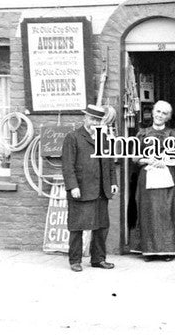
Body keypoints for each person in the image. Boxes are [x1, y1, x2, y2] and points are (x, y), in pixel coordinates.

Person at [130, 100, 175, 260]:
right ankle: (149, 250)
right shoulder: (142, 133)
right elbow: (135, 157)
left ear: (168, 117)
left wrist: (164, 161)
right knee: (148, 212)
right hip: (148, 176)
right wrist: (148, 160)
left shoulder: (174, 134)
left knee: (166, 212)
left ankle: (167, 249)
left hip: (167, 178)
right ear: (153, 112)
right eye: (158, 111)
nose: (160, 115)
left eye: (164, 113)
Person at [61, 104, 118, 273]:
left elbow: (110, 164)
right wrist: (73, 187)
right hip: (81, 190)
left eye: (98, 120)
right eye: (92, 118)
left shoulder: (104, 139)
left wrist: (113, 182)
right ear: (84, 118)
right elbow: (67, 166)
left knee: (101, 227)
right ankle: (75, 260)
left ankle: (98, 259)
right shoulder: (73, 137)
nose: (95, 122)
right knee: (77, 226)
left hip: (101, 190)